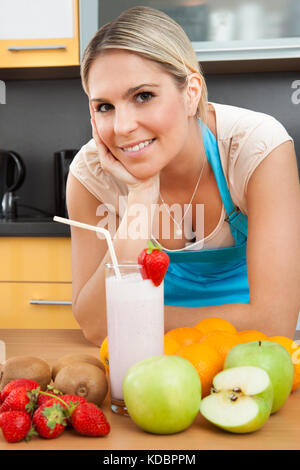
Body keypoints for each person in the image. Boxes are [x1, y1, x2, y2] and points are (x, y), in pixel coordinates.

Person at [66, 6, 300, 346]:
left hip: (249, 357)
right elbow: (94, 325)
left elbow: (273, 323)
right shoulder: (91, 177)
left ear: (191, 93)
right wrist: (141, 197)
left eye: (143, 96)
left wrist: (132, 317)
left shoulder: (256, 148)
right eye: (105, 106)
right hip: (148, 367)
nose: (122, 127)